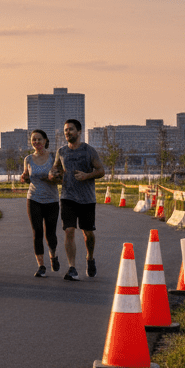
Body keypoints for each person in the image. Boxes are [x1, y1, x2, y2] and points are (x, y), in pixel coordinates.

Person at [50, 118, 105, 281]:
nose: (68, 132)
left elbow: (101, 171)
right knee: (69, 230)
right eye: (66, 130)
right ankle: (72, 267)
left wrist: (87, 175)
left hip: (87, 198)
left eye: (71, 129)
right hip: (67, 197)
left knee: (88, 233)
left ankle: (90, 258)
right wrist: (53, 175)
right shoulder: (61, 152)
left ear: (79, 132)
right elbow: (56, 170)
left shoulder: (89, 151)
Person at [21, 129, 61, 277]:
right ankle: (41, 266)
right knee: (37, 232)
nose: (36, 142)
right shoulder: (28, 159)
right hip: (33, 198)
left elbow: (61, 178)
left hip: (51, 199)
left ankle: (53, 254)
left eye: (39, 139)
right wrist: (24, 177)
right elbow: (26, 178)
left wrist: (53, 177)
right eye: (34, 140)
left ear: (45, 141)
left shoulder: (53, 157)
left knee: (50, 233)